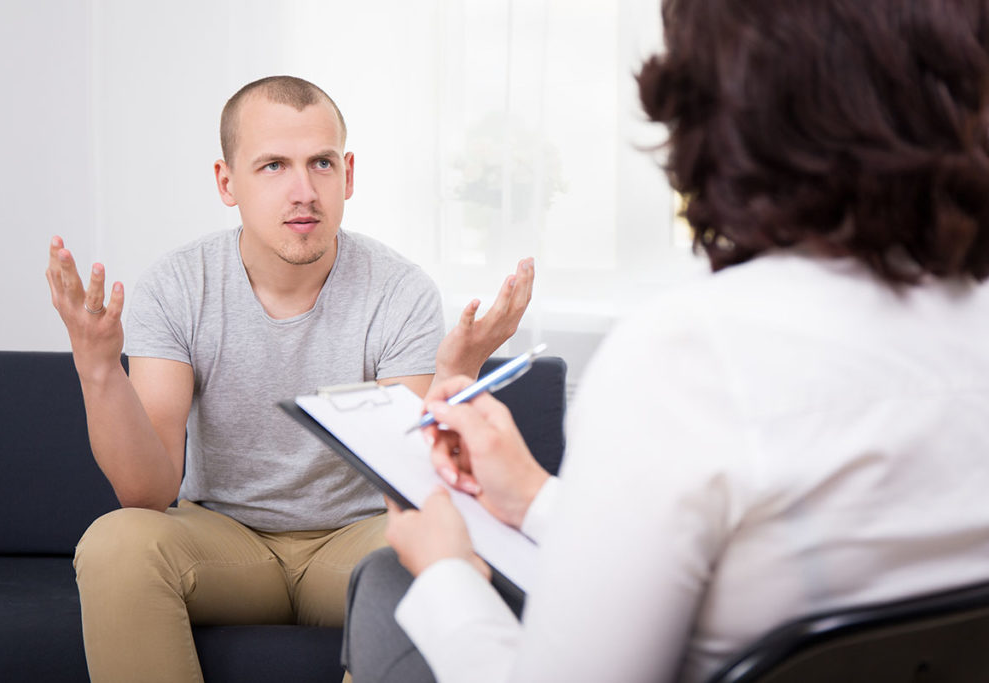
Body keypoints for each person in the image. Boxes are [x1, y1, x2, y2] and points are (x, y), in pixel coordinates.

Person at [343, 1, 989, 681]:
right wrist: (534, 494)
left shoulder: (689, 360)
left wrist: (447, 570)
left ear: (722, 106)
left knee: (391, 584)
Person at [44, 75, 533, 683]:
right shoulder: (176, 286)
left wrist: (456, 374)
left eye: (321, 163)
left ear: (348, 174)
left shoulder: (400, 291)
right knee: (115, 542)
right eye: (273, 165)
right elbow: (147, 493)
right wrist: (97, 370)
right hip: (225, 542)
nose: (304, 191)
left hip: (356, 538)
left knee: (438, 551)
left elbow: (412, 478)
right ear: (228, 183)